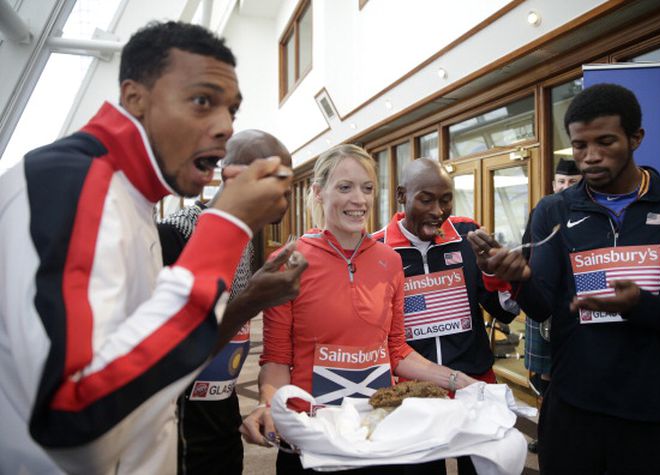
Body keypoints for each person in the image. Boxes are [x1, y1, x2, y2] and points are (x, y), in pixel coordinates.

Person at [0, 21, 292, 474]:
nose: (223, 126)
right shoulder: (73, 185)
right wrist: (226, 227)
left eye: (231, 110)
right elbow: (75, 420)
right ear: (135, 98)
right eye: (202, 101)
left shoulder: (129, 199)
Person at [468, 83, 660, 474]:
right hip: (573, 413)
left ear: (636, 138)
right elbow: (541, 306)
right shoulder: (553, 210)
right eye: (580, 146)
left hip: (652, 416)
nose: (591, 157)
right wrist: (517, 278)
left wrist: (641, 306)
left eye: (606, 142)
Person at [240, 144, 480, 474]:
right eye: (345, 187)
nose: (359, 200)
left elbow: (395, 350)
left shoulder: (389, 261)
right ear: (318, 192)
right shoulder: (289, 262)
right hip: (312, 435)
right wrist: (268, 404)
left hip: (374, 433)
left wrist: (458, 380)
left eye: (367, 188)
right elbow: (278, 357)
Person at [158, 129, 306, 474]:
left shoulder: (248, 240)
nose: (284, 197)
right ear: (232, 176)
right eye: (275, 181)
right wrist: (252, 301)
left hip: (222, 431)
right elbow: (167, 358)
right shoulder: (174, 236)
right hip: (177, 440)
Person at [373, 157, 519, 475]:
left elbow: (505, 313)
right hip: (413, 393)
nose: (438, 210)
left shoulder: (469, 235)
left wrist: (497, 275)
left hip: (472, 383)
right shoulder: (377, 249)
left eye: (446, 198)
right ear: (401, 195)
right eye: (425, 199)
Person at [522, 158, 581, 454]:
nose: (564, 187)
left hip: (574, 305)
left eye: (572, 182)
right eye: (560, 181)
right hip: (543, 299)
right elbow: (525, 252)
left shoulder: (588, 210)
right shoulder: (542, 210)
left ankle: (567, 435)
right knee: (543, 374)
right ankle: (546, 432)